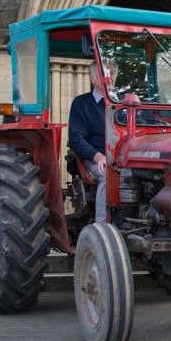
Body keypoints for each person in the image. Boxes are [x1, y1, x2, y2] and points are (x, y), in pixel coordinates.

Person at [68, 61, 108, 224]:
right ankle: (101, 227)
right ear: (92, 79)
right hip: (95, 159)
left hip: (126, 158)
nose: (110, 77)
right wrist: (97, 157)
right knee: (108, 175)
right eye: (104, 73)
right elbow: (76, 138)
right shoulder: (82, 104)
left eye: (112, 72)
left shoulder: (126, 105)